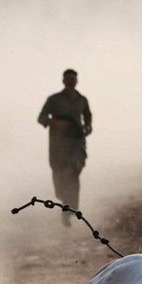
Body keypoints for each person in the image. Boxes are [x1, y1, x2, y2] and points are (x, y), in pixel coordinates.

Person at [37, 69, 93, 227]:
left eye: (73, 79)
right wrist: (55, 123)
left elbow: (87, 116)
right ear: (63, 81)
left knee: (73, 172)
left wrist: (88, 126)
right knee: (61, 175)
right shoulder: (53, 100)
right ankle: (64, 204)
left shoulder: (82, 99)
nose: (70, 81)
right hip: (58, 144)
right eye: (67, 78)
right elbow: (41, 118)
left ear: (77, 81)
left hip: (76, 142)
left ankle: (70, 210)